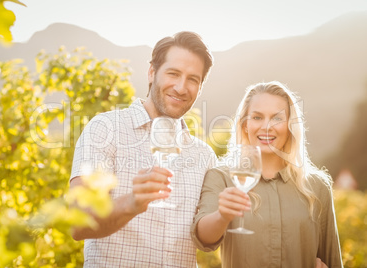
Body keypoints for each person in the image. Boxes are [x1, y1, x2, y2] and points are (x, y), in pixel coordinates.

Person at [69, 31, 217, 267]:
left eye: (192, 79)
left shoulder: (205, 156)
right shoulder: (106, 129)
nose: (181, 87)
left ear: (200, 87)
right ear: (151, 72)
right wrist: (132, 203)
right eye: (173, 73)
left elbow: (208, 239)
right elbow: (78, 222)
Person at [191, 81, 343, 268]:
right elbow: (203, 239)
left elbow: (332, 259)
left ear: (290, 125)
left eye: (277, 118)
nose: (266, 126)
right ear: (245, 124)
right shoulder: (221, 177)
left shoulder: (317, 186)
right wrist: (222, 215)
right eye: (257, 117)